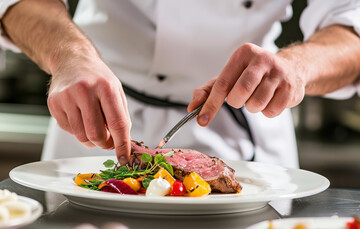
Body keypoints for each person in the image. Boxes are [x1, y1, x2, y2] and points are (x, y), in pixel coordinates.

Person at [0, 0, 360, 168]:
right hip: (95, 121)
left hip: (244, 125)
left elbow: (352, 25)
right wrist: (69, 56)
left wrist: (295, 67)